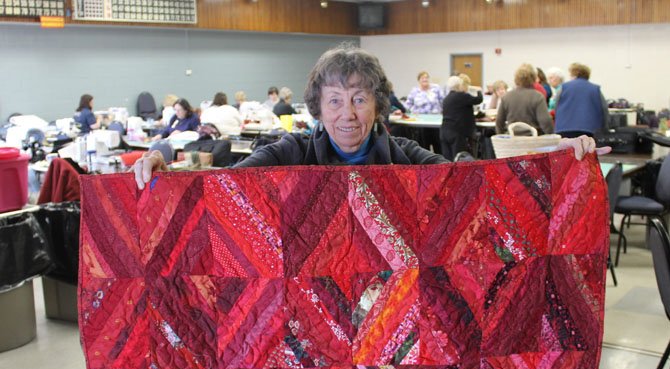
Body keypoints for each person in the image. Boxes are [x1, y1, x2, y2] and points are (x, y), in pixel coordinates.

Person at [135, 45, 608, 189]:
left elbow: (473, 183)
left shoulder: (402, 156)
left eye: (359, 99)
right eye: (335, 100)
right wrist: (160, 160)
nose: (347, 114)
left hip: (389, 320)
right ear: (317, 107)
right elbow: (220, 190)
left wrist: (556, 161)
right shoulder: (291, 153)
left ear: (379, 105)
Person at [496, 64, 554, 135]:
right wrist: (551, 135)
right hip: (534, 139)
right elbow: (545, 122)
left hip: (512, 139)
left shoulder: (506, 97)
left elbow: (499, 122)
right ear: (534, 78)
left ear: (516, 78)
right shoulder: (538, 97)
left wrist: (501, 136)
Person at [554, 62, 609, 138]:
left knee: (567, 149)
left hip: (564, 128)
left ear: (574, 74)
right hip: (588, 128)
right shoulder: (595, 89)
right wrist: (605, 128)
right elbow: (604, 109)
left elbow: (556, 106)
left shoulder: (563, 87)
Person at [440, 75, 483, 161]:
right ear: (459, 85)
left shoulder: (446, 99)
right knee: (459, 159)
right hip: (456, 132)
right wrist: (479, 91)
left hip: (444, 132)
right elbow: (478, 100)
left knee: (447, 160)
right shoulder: (462, 96)